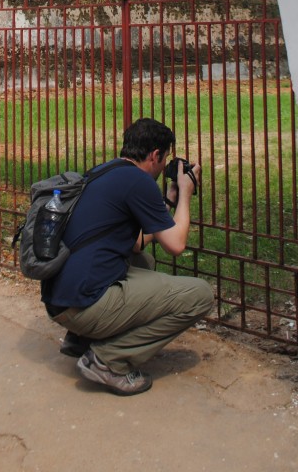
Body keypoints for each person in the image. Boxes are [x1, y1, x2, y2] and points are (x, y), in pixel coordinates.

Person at [42, 117, 213, 396]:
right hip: (82, 305)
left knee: (143, 262)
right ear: (155, 155)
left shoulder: (106, 171)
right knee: (200, 295)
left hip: (60, 300)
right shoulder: (139, 181)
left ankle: (81, 339)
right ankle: (109, 360)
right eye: (164, 159)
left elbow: (134, 244)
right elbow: (176, 245)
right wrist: (185, 194)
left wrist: (167, 200)